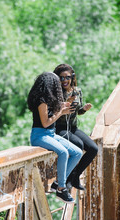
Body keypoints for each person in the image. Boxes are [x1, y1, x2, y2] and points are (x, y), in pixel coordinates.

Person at [28, 72, 83, 203]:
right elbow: (46, 122)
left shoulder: (49, 100)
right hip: (39, 135)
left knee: (77, 153)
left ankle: (57, 182)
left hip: (51, 134)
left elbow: (53, 114)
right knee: (63, 152)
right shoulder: (41, 101)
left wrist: (66, 104)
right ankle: (61, 188)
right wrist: (61, 112)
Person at [53, 64, 98, 191]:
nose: (64, 81)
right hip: (59, 128)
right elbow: (54, 110)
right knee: (78, 144)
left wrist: (83, 109)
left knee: (93, 148)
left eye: (67, 77)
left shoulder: (77, 91)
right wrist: (66, 100)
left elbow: (78, 111)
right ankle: (67, 179)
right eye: (61, 78)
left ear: (72, 77)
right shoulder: (55, 93)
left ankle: (75, 176)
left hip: (72, 127)